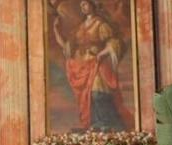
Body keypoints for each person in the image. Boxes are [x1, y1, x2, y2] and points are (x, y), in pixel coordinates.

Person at [52, 0, 131, 130]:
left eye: (85, 4)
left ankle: (106, 123)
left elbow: (114, 43)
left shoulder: (100, 24)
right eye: (81, 5)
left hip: (97, 64)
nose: (82, 7)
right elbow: (67, 48)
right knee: (87, 96)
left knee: (97, 92)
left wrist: (101, 54)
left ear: (93, 5)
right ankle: (94, 124)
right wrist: (56, 30)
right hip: (84, 65)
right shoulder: (81, 27)